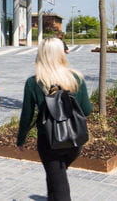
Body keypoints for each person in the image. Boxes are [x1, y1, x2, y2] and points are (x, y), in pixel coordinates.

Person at [16, 37, 92, 201]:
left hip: (49, 141)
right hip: (74, 140)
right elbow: (87, 110)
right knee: (55, 177)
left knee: (59, 184)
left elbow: (27, 115)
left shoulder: (34, 82)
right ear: (61, 54)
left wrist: (21, 139)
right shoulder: (76, 78)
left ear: (41, 54)